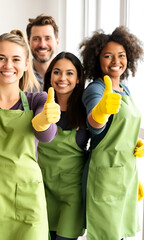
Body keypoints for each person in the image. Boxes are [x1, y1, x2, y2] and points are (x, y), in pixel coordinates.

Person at [0, 30, 61, 240]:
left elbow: (47, 136)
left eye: (16, 59)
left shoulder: (37, 100)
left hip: (27, 199)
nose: (8, 65)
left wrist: (43, 121)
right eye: (1, 58)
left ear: (26, 64)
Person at [79, 25, 144, 240]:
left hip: (126, 173)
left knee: (121, 234)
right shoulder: (96, 90)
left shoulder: (124, 88)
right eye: (108, 56)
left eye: (121, 56)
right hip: (104, 176)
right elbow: (95, 125)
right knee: (106, 235)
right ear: (97, 60)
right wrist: (101, 112)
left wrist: (134, 143)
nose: (116, 61)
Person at [37, 52, 88, 240]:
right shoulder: (39, 106)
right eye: (57, 72)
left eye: (69, 73)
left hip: (72, 196)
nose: (62, 78)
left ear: (78, 79)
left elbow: (102, 141)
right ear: (50, 76)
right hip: (41, 191)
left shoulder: (86, 109)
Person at [26, 14, 60, 90]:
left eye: (48, 38)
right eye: (36, 39)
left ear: (57, 42)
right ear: (28, 43)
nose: (42, 45)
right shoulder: (21, 76)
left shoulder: (68, 76)